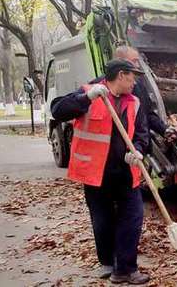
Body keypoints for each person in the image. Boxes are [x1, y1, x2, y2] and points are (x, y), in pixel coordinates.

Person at [51, 59, 150, 284]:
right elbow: (57, 110)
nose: (134, 82)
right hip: (96, 172)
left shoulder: (134, 102)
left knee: (133, 218)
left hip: (125, 171)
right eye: (132, 76)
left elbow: (142, 133)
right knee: (102, 219)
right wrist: (86, 98)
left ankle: (125, 268)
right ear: (121, 75)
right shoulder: (89, 93)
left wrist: (139, 151)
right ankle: (107, 262)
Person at [111, 45, 177, 139]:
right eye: (134, 61)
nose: (138, 65)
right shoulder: (102, 90)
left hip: (141, 147)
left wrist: (164, 129)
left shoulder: (139, 85)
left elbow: (148, 113)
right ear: (120, 61)